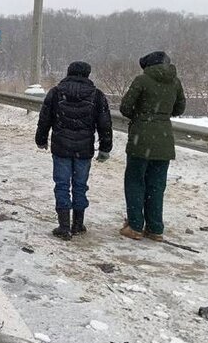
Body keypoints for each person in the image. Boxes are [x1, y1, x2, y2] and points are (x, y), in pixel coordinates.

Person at [35, 61, 113, 240]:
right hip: (84, 149)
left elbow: (44, 118)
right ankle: (78, 224)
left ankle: (63, 226)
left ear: (68, 72)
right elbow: (105, 124)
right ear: (87, 74)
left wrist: (41, 139)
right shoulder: (96, 95)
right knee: (80, 185)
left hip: (61, 147)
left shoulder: (56, 93)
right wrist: (105, 147)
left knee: (62, 185)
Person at [119, 51, 186, 241]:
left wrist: (141, 117)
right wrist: (161, 116)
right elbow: (180, 109)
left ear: (148, 65)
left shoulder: (142, 80)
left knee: (134, 182)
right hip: (164, 141)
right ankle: (155, 228)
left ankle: (134, 226)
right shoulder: (175, 82)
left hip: (141, 139)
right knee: (156, 186)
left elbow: (125, 107)